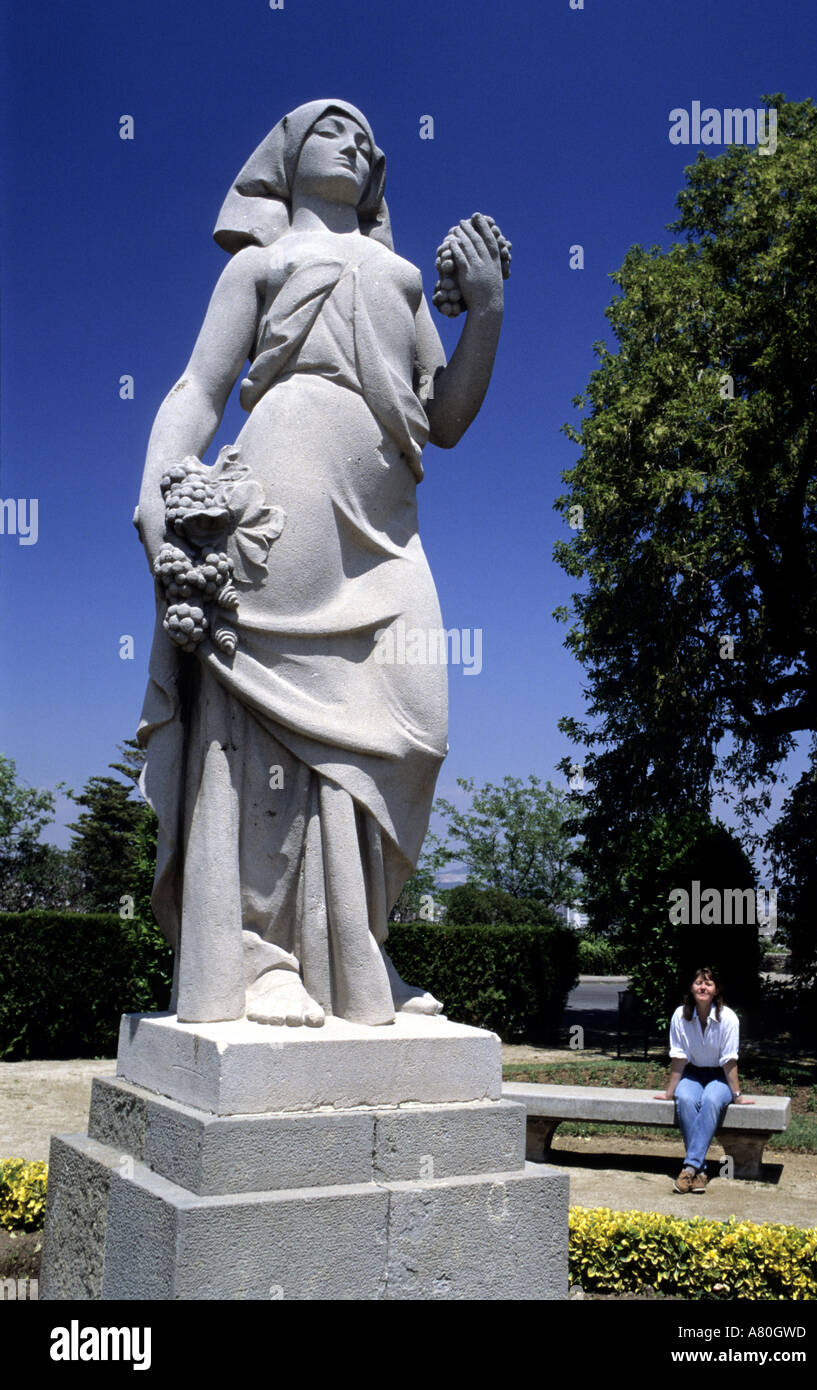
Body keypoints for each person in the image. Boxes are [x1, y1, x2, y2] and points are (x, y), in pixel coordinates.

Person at [134, 100, 505, 1029]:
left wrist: (489, 312)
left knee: (413, 722)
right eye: (331, 126)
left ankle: (357, 954)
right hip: (284, 482)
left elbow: (447, 417)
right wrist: (155, 496)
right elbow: (197, 388)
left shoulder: (404, 276)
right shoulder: (261, 264)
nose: (355, 139)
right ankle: (262, 957)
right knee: (270, 716)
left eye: (365, 135)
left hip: (387, 519)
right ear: (288, 157)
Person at [654, 965, 754, 1192]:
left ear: (716, 990)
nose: (703, 987)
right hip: (693, 1073)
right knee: (686, 1099)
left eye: (708, 983)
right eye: (699, 982)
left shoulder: (728, 1018)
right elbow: (678, 1057)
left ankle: (689, 1168)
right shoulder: (680, 1015)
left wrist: (737, 1096)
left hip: (719, 1077)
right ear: (691, 988)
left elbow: (729, 1061)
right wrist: (670, 1092)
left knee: (710, 1101)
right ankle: (700, 1171)